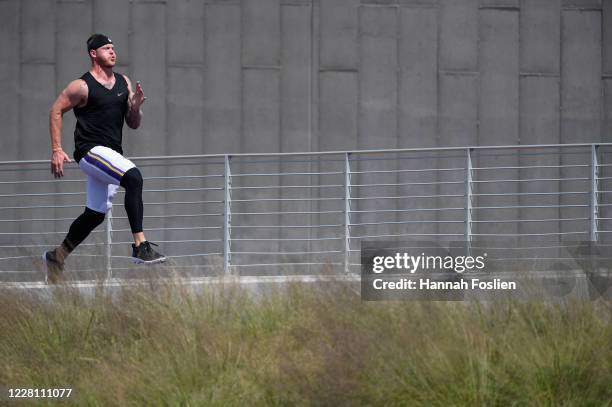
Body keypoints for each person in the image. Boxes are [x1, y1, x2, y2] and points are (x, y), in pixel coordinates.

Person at [43, 33, 166, 283]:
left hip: (110, 155)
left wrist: (136, 107)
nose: (112, 52)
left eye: (113, 48)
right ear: (93, 53)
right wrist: (57, 149)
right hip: (89, 151)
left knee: (95, 213)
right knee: (134, 178)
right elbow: (56, 110)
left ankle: (57, 255)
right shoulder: (81, 86)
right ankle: (140, 246)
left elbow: (133, 124)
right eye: (106, 48)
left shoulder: (123, 82)